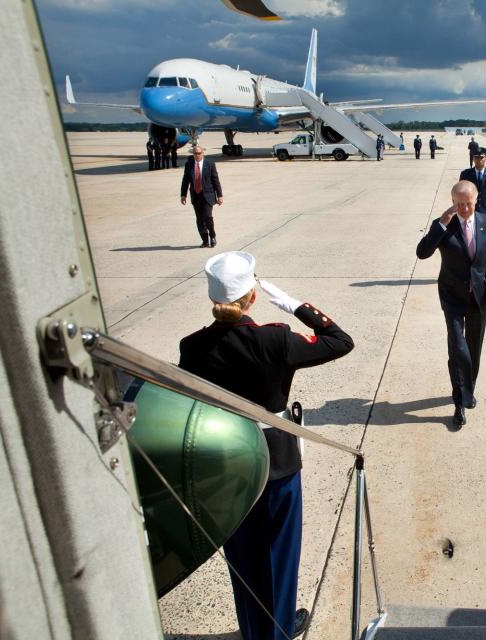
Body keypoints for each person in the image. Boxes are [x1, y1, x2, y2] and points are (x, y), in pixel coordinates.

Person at [180, 251, 354, 640]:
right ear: (252, 297)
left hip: (224, 465)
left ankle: (254, 628)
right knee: (279, 553)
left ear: (213, 300)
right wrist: (296, 306)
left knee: (241, 557)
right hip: (276, 463)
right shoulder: (274, 339)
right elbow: (340, 341)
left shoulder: (191, 348)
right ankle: (276, 630)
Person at [416, 181, 486, 428]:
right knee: (458, 348)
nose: (465, 208)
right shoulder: (445, 225)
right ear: (453, 202)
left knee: (474, 348)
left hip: (479, 297)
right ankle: (460, 402)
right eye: (459, 204)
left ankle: (469, 388)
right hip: (452, 297)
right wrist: (441, 224)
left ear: (476, 200)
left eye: (468, 203)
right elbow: (422, 253)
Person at [181, 146, 223, 248]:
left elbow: (215, 180)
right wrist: (183, 195)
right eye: (195, 153)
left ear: (203, 153)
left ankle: (212, 236)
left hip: (208, 195)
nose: (197, 155)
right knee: (199, 219)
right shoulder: (189, 165)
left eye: (199, 153)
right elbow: (185, 180)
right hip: (196, 196)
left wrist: (220, 195)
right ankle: (205, 240)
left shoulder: (210, 164)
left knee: (208, 217)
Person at [458, 147, 486, 220]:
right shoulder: (465, 174)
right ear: (473, 159)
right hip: (470, 213)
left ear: (485, 158)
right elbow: (460, 196)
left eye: (481, 157)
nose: (479, 159)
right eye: (477, 157)